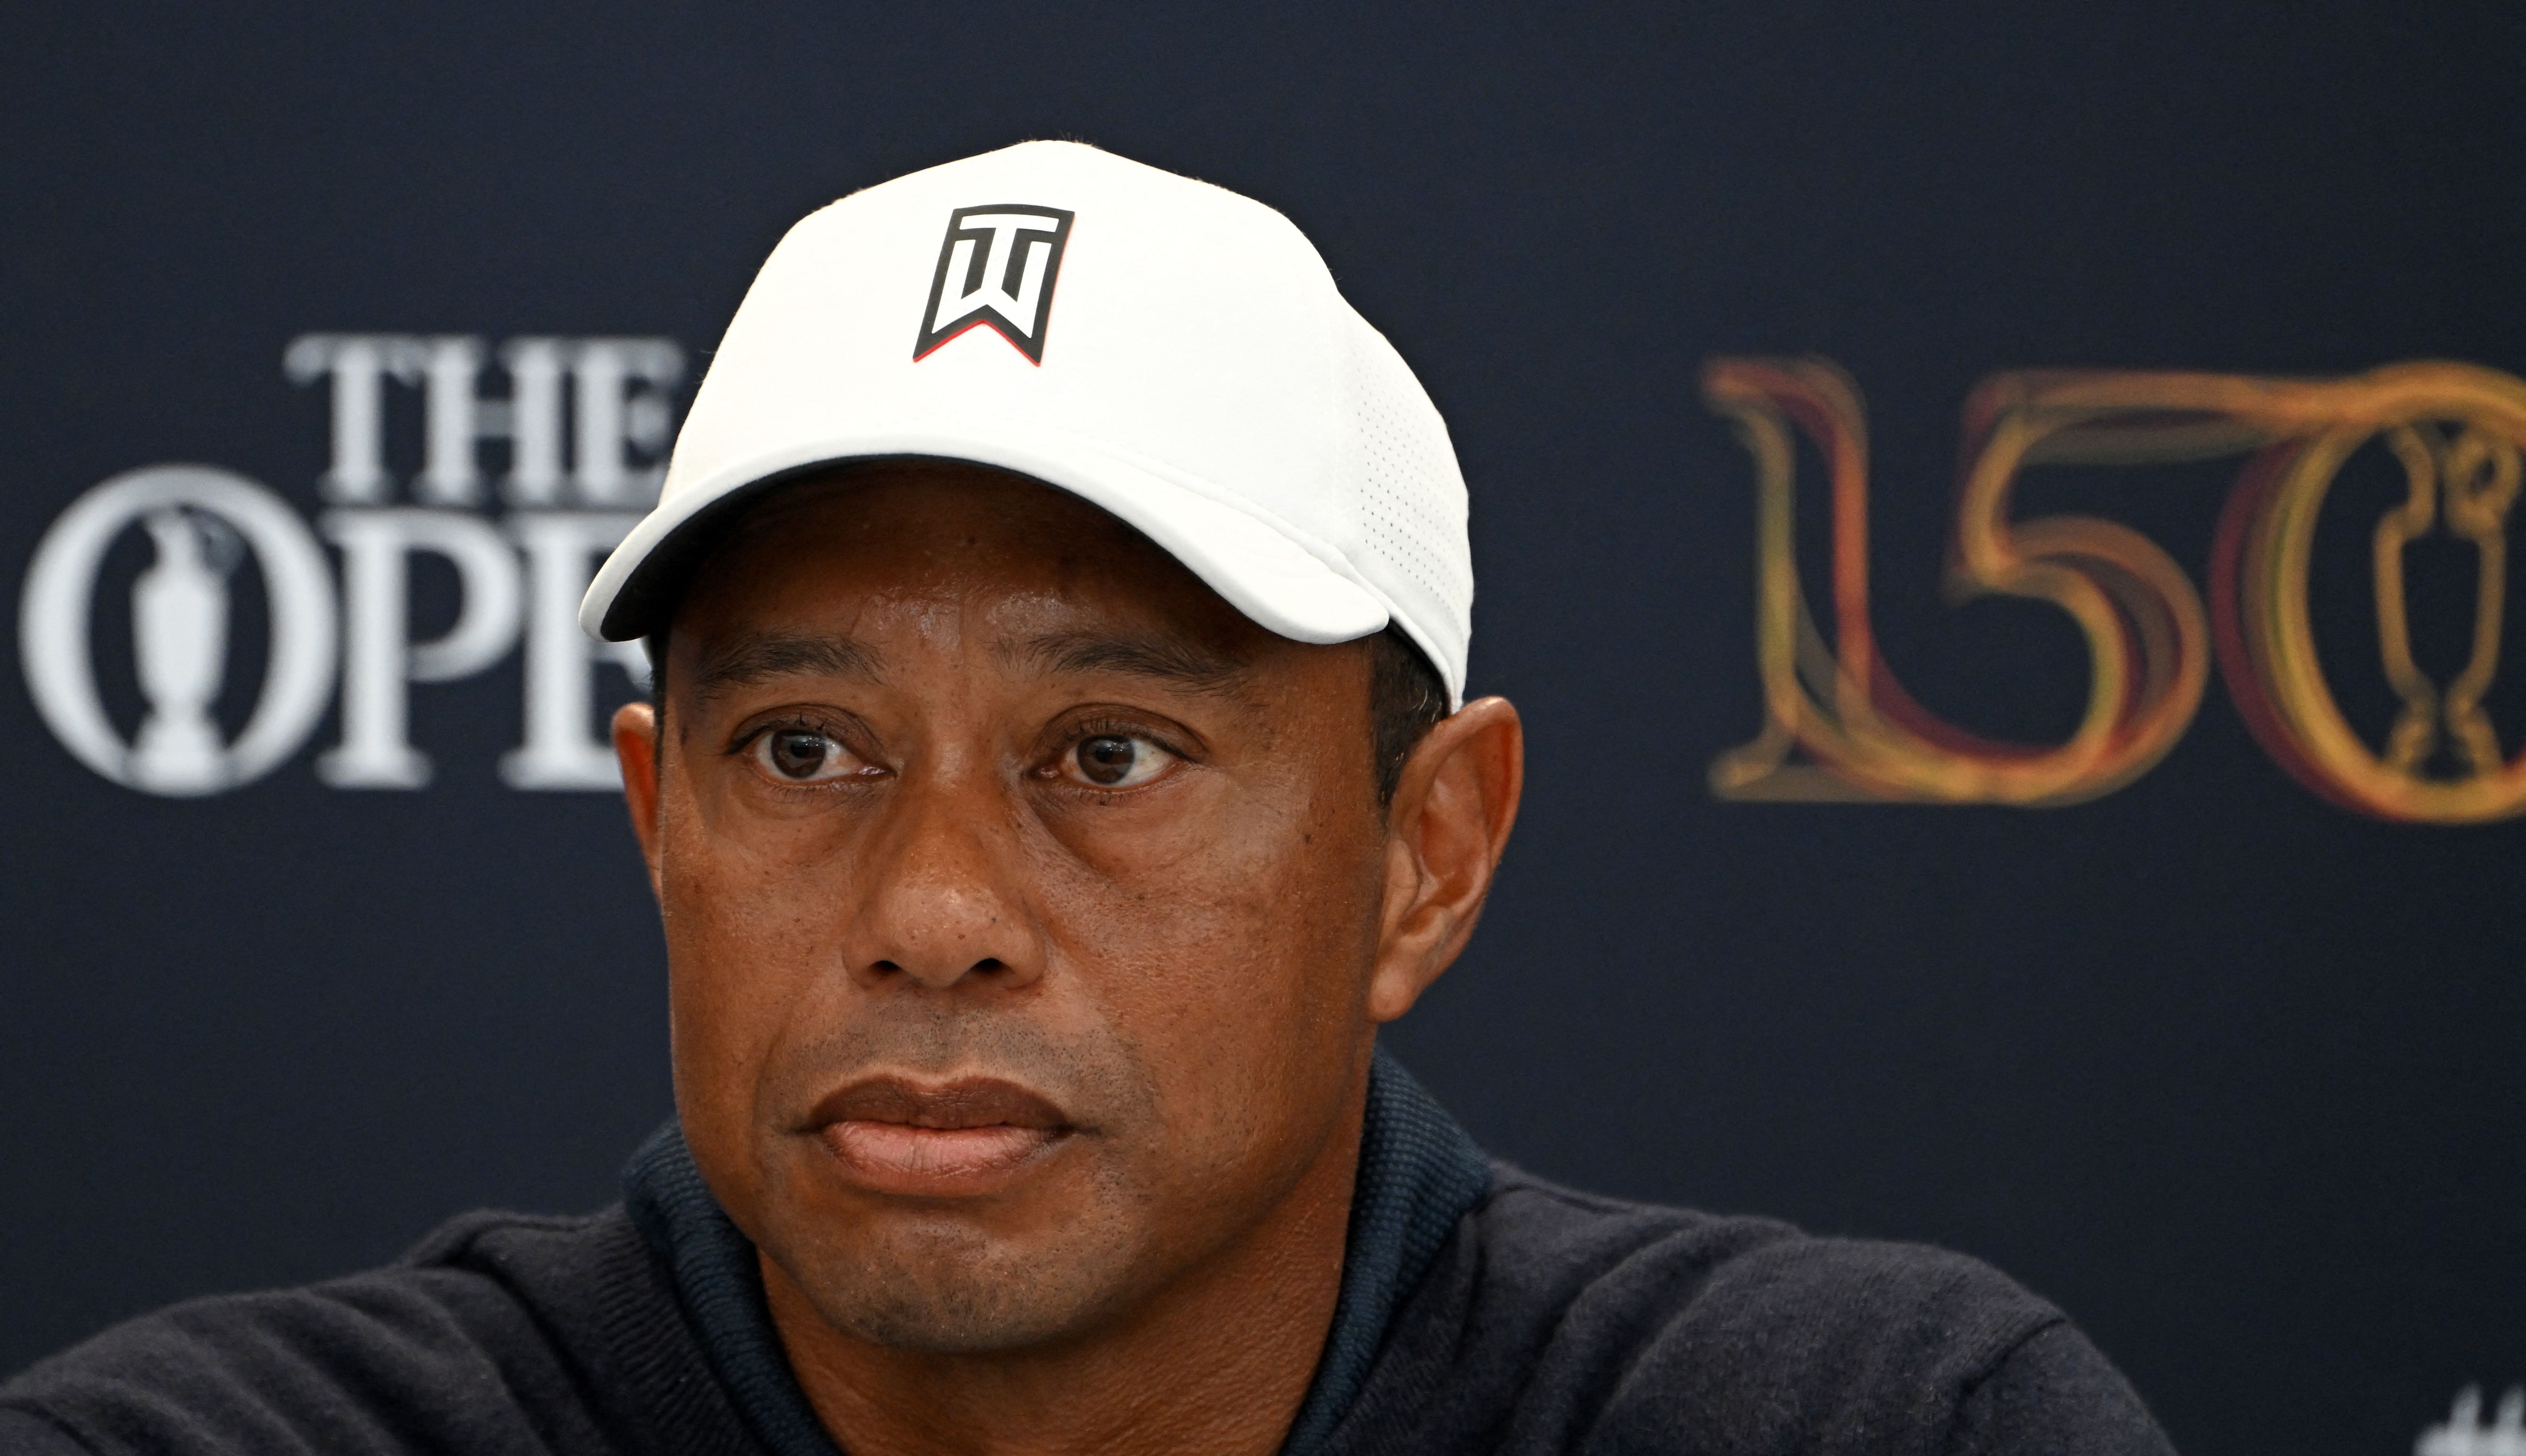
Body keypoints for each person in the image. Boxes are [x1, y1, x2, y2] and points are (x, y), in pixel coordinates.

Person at [0, 141, 2174, 1456]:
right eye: (804, 749)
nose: (932, 912)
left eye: (1107, 754)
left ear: (1425, 857)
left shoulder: (1873, 1425)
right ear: (658, 821)